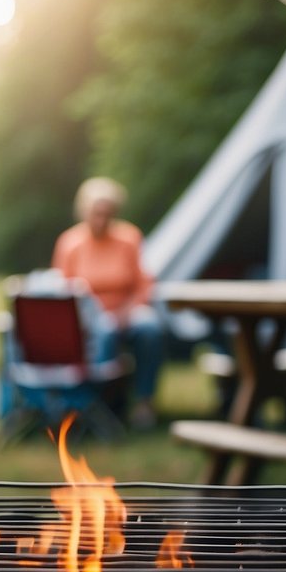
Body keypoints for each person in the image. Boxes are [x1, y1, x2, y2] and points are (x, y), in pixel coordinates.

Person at [51, 177, 164, 429]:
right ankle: (102, 404)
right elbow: (61, 289)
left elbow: (144, 284)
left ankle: (145, 401)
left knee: (151, 328)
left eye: (107, 214)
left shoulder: (129, 238)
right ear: (84, 212)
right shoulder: (70, 243)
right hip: (88, 315)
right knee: (105, 332)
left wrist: (128, 309)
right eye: (96, 213)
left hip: (127, 309)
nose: (101, 220)